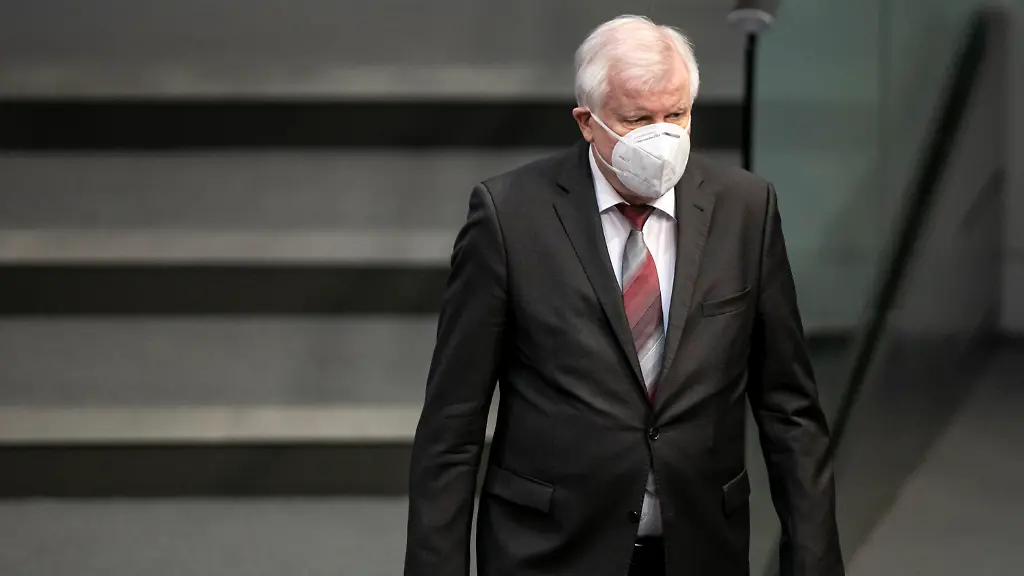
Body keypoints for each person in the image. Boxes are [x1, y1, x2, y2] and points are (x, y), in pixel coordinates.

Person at [404, 14, 843, 576]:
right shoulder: (509, 216)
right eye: (638, 119)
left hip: (701, 549)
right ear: (587, 122)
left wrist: (814, 563)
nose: (662, 136)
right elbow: (453, 425)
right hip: (550, 554)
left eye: (676, 115)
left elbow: (790, 413)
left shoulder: (746, 209)